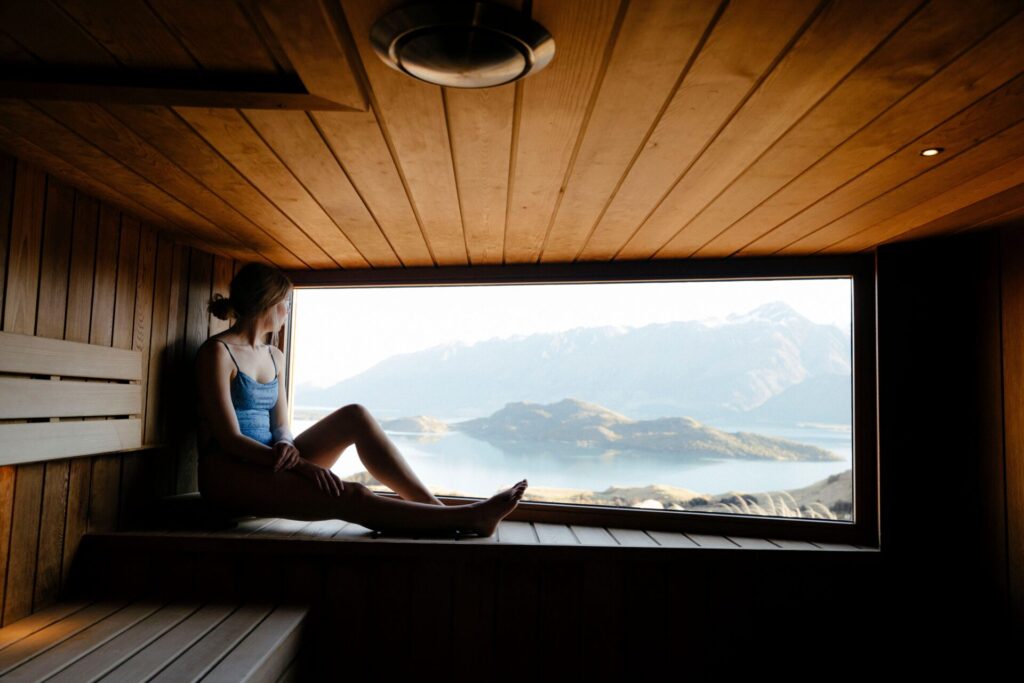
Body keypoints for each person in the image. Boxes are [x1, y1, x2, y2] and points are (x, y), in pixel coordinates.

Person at [194, 262, 527, 537]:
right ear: (269, 304)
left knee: (355, 415)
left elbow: (280, 425)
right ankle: (467, 518)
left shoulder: (274, 356)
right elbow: (229, 439)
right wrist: (303, 467)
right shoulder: (218, 353)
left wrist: (285, 444)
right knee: (349, 494)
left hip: (275, 463)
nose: (288, 311)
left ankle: (437, 512)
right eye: (287, 303)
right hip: (230, 475)